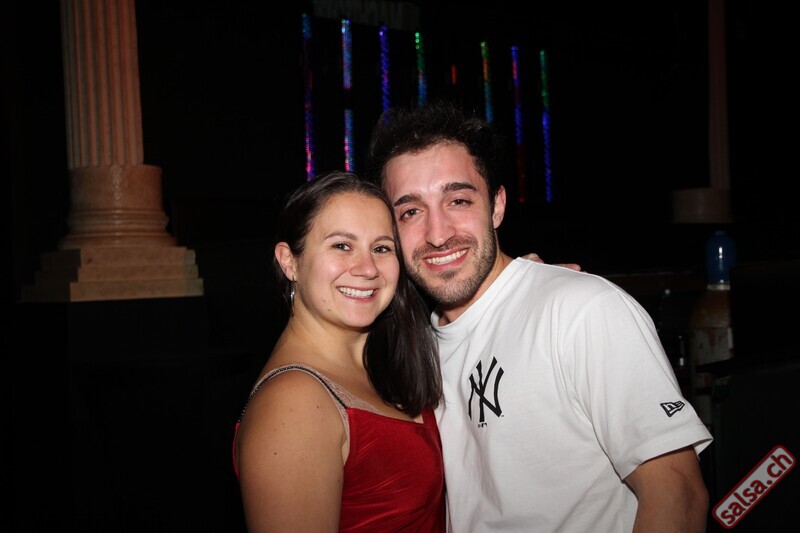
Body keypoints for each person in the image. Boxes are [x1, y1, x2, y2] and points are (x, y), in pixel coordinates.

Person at [365, 100, 714, 532]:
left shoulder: (582, 310)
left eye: (458, 200)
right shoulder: (416, 348)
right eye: (411, 211)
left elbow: (678, 494)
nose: (437, 234)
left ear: (497, 206)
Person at [232, 171, 446, 531]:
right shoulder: (293, 403)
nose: (367, 269)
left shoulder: (389, 363)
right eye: (342, 246)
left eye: (381, 248)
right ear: (289, 261)